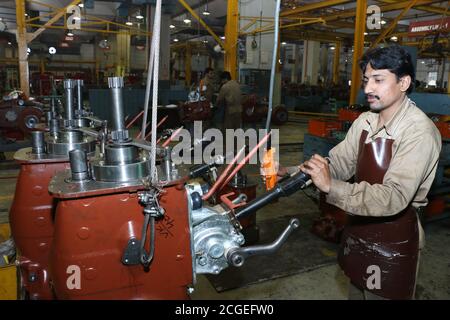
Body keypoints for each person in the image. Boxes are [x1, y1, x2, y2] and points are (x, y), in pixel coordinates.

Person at [288, 45, 442, 299]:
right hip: (358, 230)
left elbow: (393, 197)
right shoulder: (366, 121)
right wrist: (292, 173)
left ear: (403, 82)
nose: (368, 88)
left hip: (395, 240)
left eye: (378, 80)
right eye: (366, 80)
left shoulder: (419, 132)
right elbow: (337, 163)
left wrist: (332, 187)